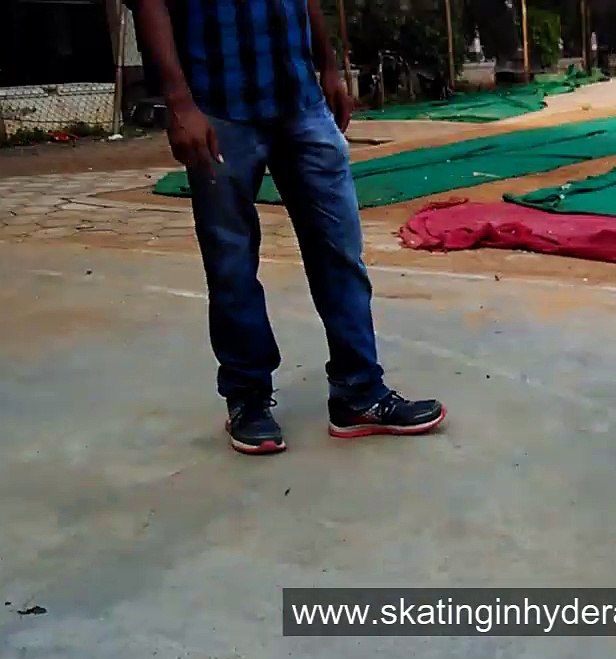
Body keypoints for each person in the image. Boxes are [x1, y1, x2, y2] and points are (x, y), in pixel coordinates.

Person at [126, 0, 445, 455]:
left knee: (339, 249)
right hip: (219, 106)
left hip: (301, 102)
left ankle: (358, 393)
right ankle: (248, 398)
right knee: (231, 261)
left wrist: (328, 68)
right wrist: (179, 103)